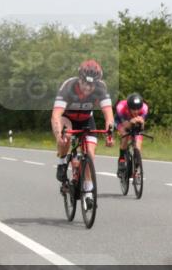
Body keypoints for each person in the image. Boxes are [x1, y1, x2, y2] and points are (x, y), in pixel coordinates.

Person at [51, 60, 115, 209]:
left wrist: (109, 134)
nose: (87, 87)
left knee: (90, 154)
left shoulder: (101, 89)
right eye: (85, 83)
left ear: (97, 83)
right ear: (79, 79)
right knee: (65, 136)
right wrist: (58, 135)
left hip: (87, 119)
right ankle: (61, 163)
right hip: (67, 118)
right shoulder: (68, 87)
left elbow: (109, 116)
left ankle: (87, 192)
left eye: (91, 85)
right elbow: (56, 116)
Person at [115, 93, 149, 176]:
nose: (136, 111)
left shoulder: (144, 108)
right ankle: (122, 159)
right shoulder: (121, 107)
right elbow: (125, 125)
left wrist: (141, 123)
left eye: (138, 109)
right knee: (125, 135)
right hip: (121, 122)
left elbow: (142, 127)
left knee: (138, 144)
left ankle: (136, 166)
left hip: (135, 123)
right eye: (134, 109)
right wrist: (131, 122)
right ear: (129, 107)